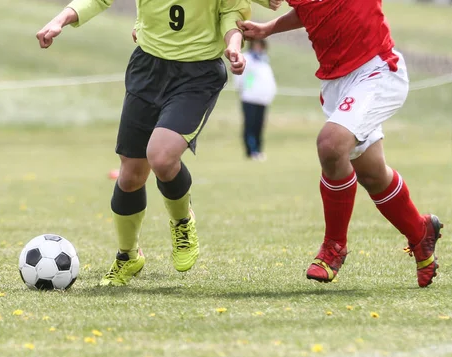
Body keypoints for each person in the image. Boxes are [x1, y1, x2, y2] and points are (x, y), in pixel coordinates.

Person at [36, 0, 282, 287]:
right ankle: (128, 256)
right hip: (148, 68)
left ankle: (182, 222)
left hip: (197, 74)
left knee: (162, 157)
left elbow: (230, 13)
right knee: (130, 176)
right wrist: (61, 19)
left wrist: (234, 46)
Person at [239, 1, 443, 287]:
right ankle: (421, 232)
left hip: (376, 69)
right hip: (337, 83)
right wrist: (269, 28)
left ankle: (334, 246)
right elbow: (311, 9)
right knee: (372, 174)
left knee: (331, 145)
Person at [234, 39, 277, 161]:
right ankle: (251, 151)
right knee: (250, 125)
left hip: (263, 99)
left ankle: (258, 150)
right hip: (250, 98)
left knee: (259, 126)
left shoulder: (264, 60)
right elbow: (242, 78)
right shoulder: (247, 58)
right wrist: (245, 90)